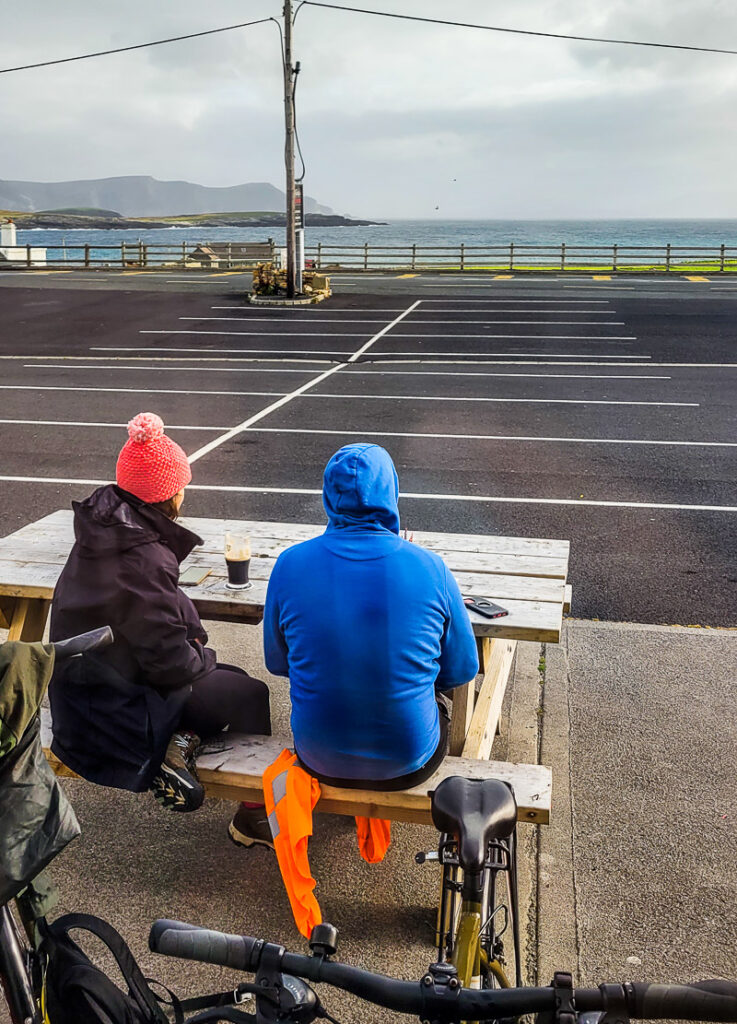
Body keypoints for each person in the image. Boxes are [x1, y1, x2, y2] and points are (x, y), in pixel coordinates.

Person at [49, 412, 272, 845]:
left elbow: (150, 625)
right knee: (251, 693)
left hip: (84, 695)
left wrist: (195, 648)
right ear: (168, 493)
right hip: (115, 713)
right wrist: (202, 653)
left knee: (235, 680)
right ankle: (255, 816)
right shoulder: (142, 557)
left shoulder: (104, 530)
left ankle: (181, 740)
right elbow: (173, 663)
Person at [262, 442, 479, 790]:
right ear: (391, 491)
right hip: (409, 760)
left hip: (318, 756)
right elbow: (463, 669)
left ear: (328, 496)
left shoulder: (289, 564)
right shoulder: (429, 566)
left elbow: (277, 663)